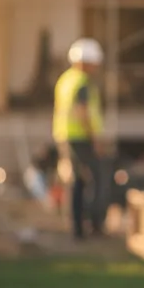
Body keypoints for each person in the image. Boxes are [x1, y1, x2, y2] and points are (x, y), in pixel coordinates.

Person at [53, 38, 107, 240]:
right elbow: (82, 112)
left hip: (65, 136)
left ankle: (76, 227)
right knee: (95, 179)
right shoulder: (82, 82)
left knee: (76, 182)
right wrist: (95, 140)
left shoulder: (65, 79)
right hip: (81, 138)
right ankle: (93, 225)